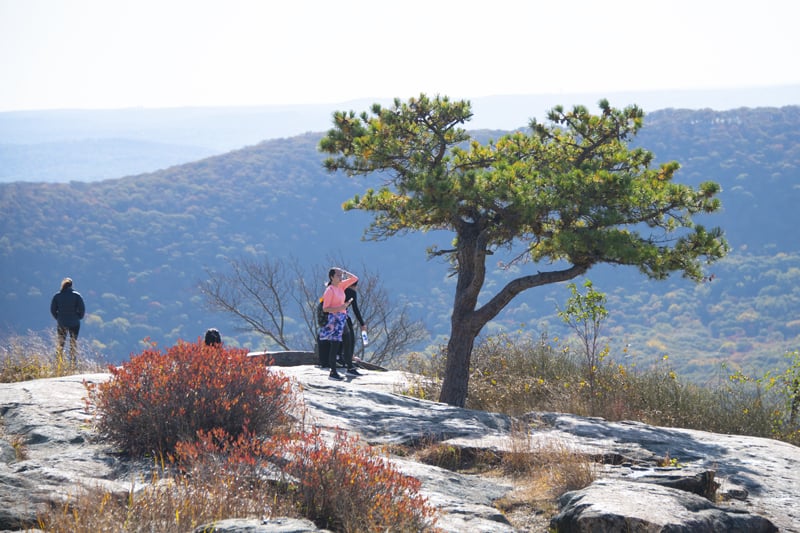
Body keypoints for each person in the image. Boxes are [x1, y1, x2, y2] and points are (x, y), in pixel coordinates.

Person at [318, 267, 359, 380]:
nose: (341, 278)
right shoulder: (330, 290)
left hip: (342, 318)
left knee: (347, 341)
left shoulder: (340, 286)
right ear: (332, 277)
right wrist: (340, 307)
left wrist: (344, 272)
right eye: (338, 276)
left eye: (341, 276)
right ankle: (333, 372)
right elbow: (326, 309)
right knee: (335, 345)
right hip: (335, 319)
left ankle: (349, 367)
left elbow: (355, 278)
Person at [50, 277, 86, 368]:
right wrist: (78, 317)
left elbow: (53, 310)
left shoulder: (57, 296)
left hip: (62, 322)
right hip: (74, 323)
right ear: (71, 285)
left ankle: (58, 364)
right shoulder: (76, 295)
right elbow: (82, 309)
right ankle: (73, 364)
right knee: (73, 343)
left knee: (61, 343)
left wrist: (58, 318)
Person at [342, 280, 367, 373]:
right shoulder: (351, 292)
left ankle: (343, 357)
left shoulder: (340, 289)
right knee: (350, 337)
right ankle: (349, 359)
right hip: (342, 315)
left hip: (330, 315)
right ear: (355, 286)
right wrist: (362, 323)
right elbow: (355, 309)